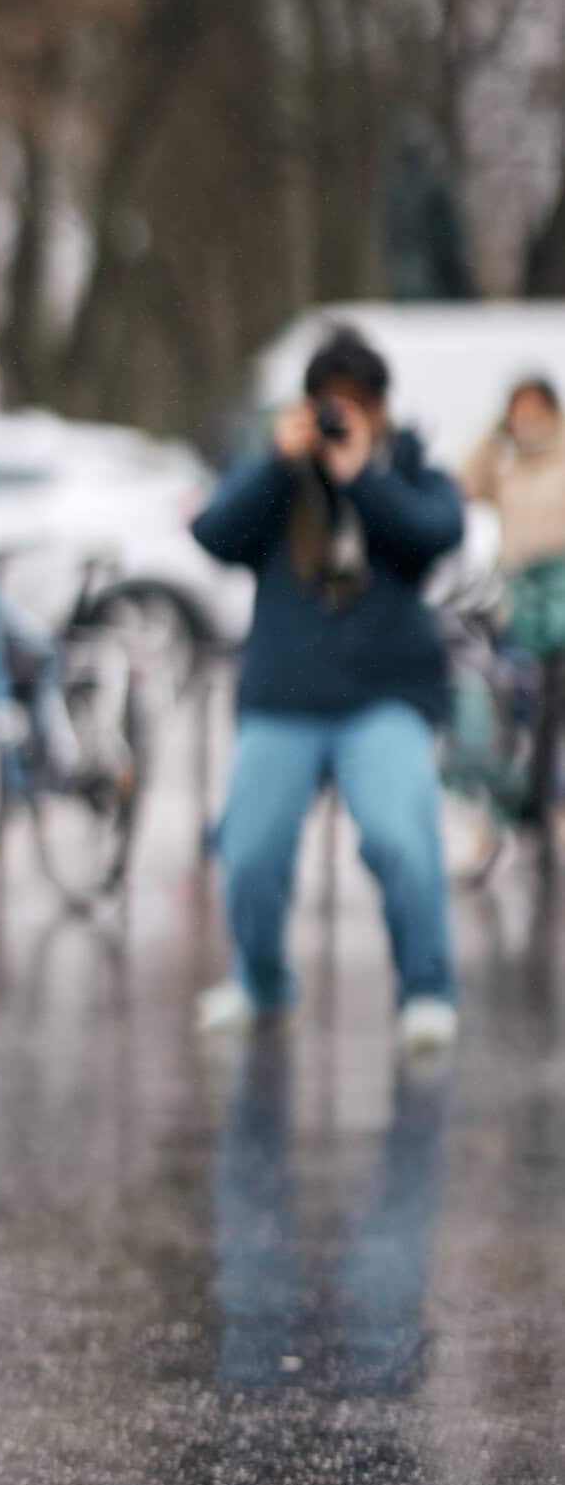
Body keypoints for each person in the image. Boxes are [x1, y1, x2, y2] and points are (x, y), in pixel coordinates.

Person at [191, 324, 464, 1049]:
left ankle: (425, 991)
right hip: (283, 698)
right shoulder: (280, 478)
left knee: (401, 844)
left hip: (383, 700)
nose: (340, 416)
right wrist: (275, 464)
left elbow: (436, 534)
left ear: (379, 407)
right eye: (327, 403)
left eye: (355, 403)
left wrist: (360, 477)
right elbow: (212, 533)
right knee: (246, 852)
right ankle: (260, 979)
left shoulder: (407, 469)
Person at [458, 376, 565, 827]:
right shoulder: (508, 467)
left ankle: (547, 796)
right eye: (518, 411)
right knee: (516, 698)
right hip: (519, 598)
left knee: (554, 696)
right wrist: (496, 430)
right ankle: (528, 794)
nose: (527, 420)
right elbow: (463, 483)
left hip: (560, 593)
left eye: (534, 409)